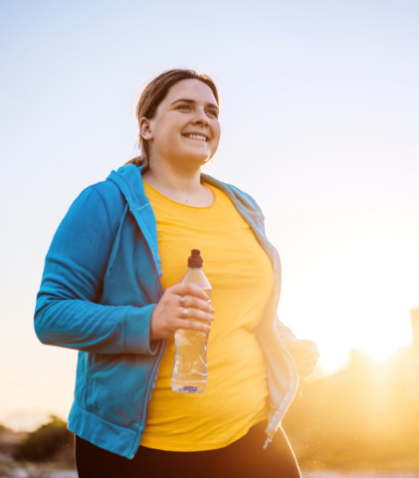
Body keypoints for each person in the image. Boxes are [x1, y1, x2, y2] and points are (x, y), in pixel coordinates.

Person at [34, 68, 319, 478]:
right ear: (146, 127)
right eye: (184, 107)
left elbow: (242, 305)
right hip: (136, 449)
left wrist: (286, 341)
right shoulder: (105, 202)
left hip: (250, 435)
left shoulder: (243, 207)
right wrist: (149, 321)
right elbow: (51, 316)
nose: (202, 117)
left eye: (212, 110)